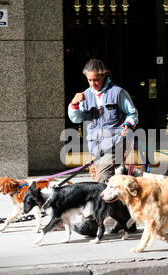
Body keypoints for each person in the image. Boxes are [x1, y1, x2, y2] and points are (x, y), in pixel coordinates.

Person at [68, 59, 138, 237]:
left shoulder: (118, 93)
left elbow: (132, 113)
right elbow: (76, 118)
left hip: (114, 144)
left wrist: (127, 124)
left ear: (103, 75)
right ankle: (127, 222)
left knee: (99, 184)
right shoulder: (85, 95)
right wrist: (74, 104)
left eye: (96, 80)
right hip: (95, 146)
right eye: (90, 80)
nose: (93, 84)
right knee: (114, 186)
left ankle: (92, 223)